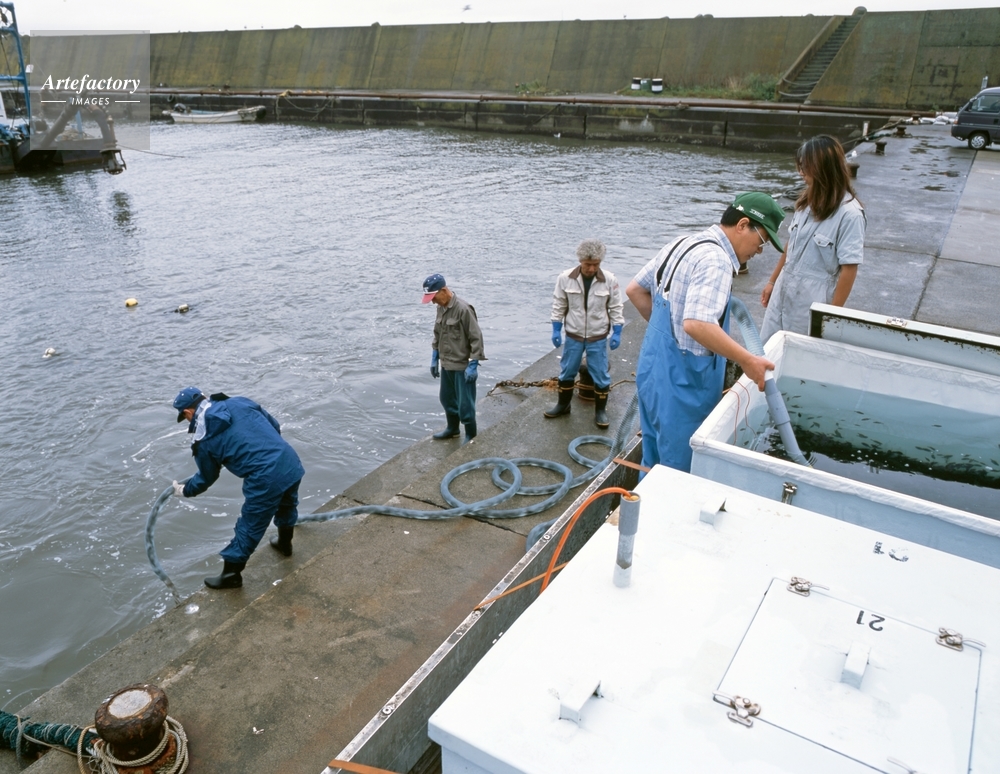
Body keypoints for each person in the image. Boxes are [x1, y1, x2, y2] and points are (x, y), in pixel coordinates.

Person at [625, 192, 784, 472]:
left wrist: (668, 334)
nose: (759, 251)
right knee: (677, 472)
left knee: (651, 462)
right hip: (684, 387)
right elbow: (697, 324)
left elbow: (635, 290)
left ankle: (641, 500)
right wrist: (748, 360)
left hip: (652, 371)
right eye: (761, 241)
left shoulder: (683, 242)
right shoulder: (717, 260)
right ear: (743, 224)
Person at [170, 387, 305, 589]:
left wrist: (184, 490)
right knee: (287, 505)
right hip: (289, 459)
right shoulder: (239, 402)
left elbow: (207, 477)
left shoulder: (203, 437)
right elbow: (274, 425)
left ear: (188, 412)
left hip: (264, 477)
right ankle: (285, 545)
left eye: (185, 417)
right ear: (204, 397)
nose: (188, 421)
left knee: (250, 525)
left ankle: (231, 575)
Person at [759, 135, 866, 344]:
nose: (801, 173)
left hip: (813, 299)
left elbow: (849, 268)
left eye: (806, 167)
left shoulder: (850, 214)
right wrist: (772, 281)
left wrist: (831, 316)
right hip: (784, 290)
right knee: (768, 348)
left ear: (824, 168)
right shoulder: (806, 202)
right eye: (801, 166)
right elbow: (792, 245)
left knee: (800, 351)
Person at [546, 238, 625, 428]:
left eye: (596, 264)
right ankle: (563, 405)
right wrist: (556, 328)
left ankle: (600, 411)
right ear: (580, 261)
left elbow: (616, 306)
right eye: (588, 264)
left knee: (600, 374)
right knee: (567, 371)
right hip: (573, 335)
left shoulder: (610, 280)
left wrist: (617, 330)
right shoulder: (565, 278)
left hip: (597, 336)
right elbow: (559, 304)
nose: (591, 268)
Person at [422, 274, 486, 442]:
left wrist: (473, 364)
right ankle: (453, 429)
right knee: (447, 399)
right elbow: (438, 333)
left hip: (462, 366)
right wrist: (435, 356)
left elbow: (476, 338)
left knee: (465, 404)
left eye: (433, 297)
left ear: (443, 290)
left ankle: (471, 435)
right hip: (446, 364)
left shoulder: (464, 309)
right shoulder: (441, 308)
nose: (433, 302)